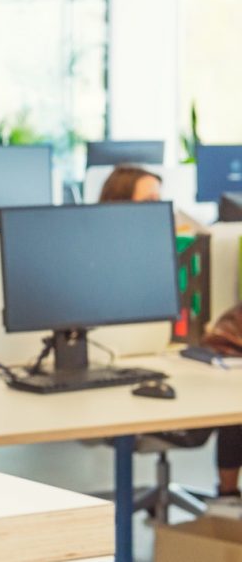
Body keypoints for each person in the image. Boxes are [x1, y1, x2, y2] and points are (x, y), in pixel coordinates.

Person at [100, 164, 241, 501]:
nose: (159, 208)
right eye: (148, 199)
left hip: (178, 366)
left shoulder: (176, 250)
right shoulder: (101, 259)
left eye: (160, 199)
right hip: (122, 381)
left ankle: (227, 499)